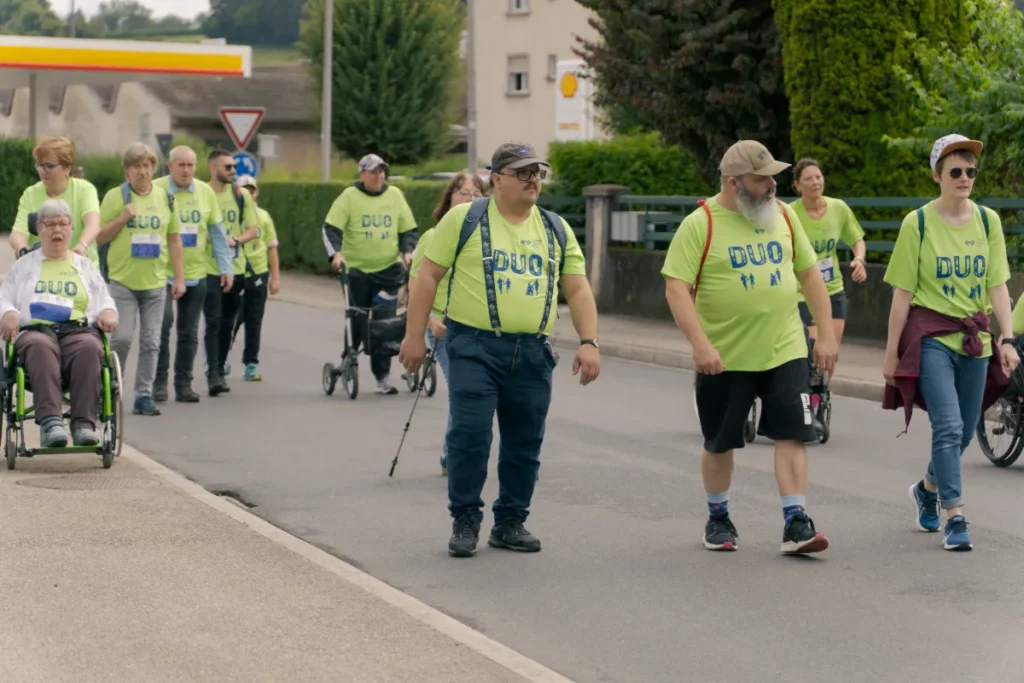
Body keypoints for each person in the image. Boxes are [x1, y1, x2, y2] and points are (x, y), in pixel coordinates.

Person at [400, 141, 601, 558]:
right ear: (497, 179)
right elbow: (428, 276)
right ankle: (466, 519)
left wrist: (589, 342)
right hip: (473, 345)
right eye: (523, 172)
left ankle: (510, 521)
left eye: (537, 173)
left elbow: (577, 287)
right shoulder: (465, 219)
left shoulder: (555, 228)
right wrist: (414, 335)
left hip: (532, 352)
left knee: (525, 441)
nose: (533, 180)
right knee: (469, 435)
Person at [662, 140, 838, 555]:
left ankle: (796, 521)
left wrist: (825, 334)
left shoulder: (784, 215)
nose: (772, 184)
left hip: (785, 346)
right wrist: (700, 345)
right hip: (724, 357)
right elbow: (675, 289)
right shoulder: (700, 224)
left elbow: (811, 276)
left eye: (773, 176)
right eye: (761, 179)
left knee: (793, 434)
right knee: (720, 441)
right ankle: (718, 516)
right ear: (733, 181)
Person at [882, 134, 1019, 552]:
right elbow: (902, 293)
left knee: (961, 431)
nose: (964, 178)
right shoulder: (917, 223)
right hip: (931, 336)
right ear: (937, 175)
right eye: (955, 171)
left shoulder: (987, 221)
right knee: (948, 425)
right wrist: (890, 353)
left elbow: (998, 285)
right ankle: (954, 515)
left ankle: (926, 489)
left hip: (974, 338)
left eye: (970, 171)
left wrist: (1008, 339)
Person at [0, 198, 118, 447]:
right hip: (36, 331)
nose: (57, 230)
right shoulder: (24, 266)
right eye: (50, 224)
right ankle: (52, 422)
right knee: (40, 347)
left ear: (71, 228)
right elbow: (4, 299)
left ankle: (84, 424)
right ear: (40, 228)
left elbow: (104, 300)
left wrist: (108, 312)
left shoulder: (84, 267)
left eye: (63, 224)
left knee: (90, 348)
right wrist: (8, 313)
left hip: (77, 330)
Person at [97, 142, 186, 417]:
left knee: (151, 341)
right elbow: (99, 236)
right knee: (121, 339)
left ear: (153, 169)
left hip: (155, 283)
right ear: (127, 171)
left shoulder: (165, 198)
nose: (143, 171)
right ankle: (109, 389)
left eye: (147, 166)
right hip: (122, 281)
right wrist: (122, 218)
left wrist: (179, 278)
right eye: (137, 166)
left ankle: (143, 395)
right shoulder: (116, 197)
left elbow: (173, 238)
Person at [408, 170, 487, 475]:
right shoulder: (434, 235)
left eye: (476, 194)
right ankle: (454, 455)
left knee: (474, 394)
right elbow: (416, 284)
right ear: (449, 199)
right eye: (463, 193)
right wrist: (427, 320)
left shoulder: (486, 236)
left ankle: (451, 453)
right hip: (443, 328)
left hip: (478, 328)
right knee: (463, 392)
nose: (469, 199)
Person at [322, 153, 419, 395]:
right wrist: (336, 254)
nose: (379, 176)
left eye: (382, 171)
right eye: (374, 171)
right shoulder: (349, 196)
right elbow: (330, 228)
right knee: (355, 320)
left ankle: (382, 376)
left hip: (387, 271)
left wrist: (407, 252)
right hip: (356, 271)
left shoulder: (395, 196)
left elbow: (408, 229)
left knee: (384, 324)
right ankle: (349, 362)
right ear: (362, 174)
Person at [790, 158, 868, 433]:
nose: (816, 182)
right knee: (814, 346)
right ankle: (807, 401)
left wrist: (859, 259)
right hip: (802, 293)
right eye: (808, 179)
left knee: (830, 352)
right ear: (797, 186)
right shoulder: (790, 214)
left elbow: (857, 238)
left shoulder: (838, 208)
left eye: (819, 177)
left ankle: (820, 397)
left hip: (832, 288)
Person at [153, 146, 234, 404]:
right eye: (181, 165)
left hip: (196, 272)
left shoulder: (205, 192)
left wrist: (225, 267)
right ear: (170, 166)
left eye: (190, 165)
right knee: (163, 326)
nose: (186, 170)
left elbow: (218, 233)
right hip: (161, 273)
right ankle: (158, 383)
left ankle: (183, 384)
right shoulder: (157, 189)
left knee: (189, 331)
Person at [203, 149, 259, 396]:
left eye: (234, 167)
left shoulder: (240, 196)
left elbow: (254, 230)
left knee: (228, 323)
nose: (233, 171)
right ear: (213, 168)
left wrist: (235, 239)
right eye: (227, 167)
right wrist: (207, 238)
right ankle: (213, 372)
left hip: (235, 269)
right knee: (213, 321)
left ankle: (219, 365)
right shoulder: (202, 193)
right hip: (207, 268)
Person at [10, 137, 101, 265]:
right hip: (43, 270)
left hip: (80, 270)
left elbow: (93, 225)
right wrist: (21, 247)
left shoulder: (85, 190)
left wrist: (82, 245)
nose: (42, 171)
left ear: (67, 168)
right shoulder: (30, 194)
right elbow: (18, 231)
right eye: (40, 165)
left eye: (49, 166)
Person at [229, 174, 280, 382]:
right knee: (232, 320)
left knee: (254, 321)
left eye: (252, 190)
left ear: (256, 192)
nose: (249, 194)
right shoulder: (231, 215)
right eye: (244, 190)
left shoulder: (264, 217)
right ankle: (221, 359)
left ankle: (251, 363)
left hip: (258, 274)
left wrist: (275, 278)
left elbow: (272, 248)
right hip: (235, 272)